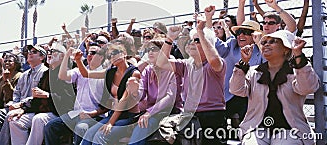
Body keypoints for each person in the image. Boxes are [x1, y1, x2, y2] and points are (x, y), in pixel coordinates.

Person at [230, 30, 319, 145]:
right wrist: (243, 64)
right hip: (257, 128)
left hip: (290, 129)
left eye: (273, 41)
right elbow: (236, 90)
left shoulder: (297, 71)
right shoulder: (254, 71)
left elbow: (307, 88)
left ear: (286, 49)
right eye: (264, 42)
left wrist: (298, 54)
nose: (266, 44)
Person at [156, 8, 227, 144]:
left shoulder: (216, 64)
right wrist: (169, 38)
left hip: (212, 115)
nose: (192, 43)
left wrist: (200, 31)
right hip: (190, 116)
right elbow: (161, 63)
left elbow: (213, 60)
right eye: (191, 40)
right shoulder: (186, 64)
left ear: (208, 44)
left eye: (197, 41)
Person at [77, 44, 142, 145]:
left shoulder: (134, 73)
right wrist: (78, 60)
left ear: (124, 54)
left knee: (100, 135)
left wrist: (110, 123)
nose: (112, 56)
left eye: (115, 53)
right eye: (110, 55)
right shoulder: (110, 72)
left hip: (129, 117)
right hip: (113, 114)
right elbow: (86, 74)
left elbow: (123, 101)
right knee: (89, 134)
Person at [0, 44, 48, 145]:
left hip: (32, 108)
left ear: (42, 57)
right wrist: (14, 103)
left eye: (34, 52)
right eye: (29, 52)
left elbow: (38, 96)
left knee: (11, 117)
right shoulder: (25, 74)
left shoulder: (44, 72)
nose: (30, 53)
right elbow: (16, 93)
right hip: (17, 106)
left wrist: (20, 106)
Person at [45, 45, 106, 145]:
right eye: (88, 53)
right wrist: (67, 55)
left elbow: (108, 104)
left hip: (95, 115)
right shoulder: (79, 70)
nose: (89, 55)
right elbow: (62, 76)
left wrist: (92, 114)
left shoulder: (104, 74)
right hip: (76, 113)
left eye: (93, 53)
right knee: (51, 126)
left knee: (80, 128)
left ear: (101, 57)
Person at [128, 39, 183, 145]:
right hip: (150, 113)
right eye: (148, 49)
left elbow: (170, 98)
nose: (150, 52)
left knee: (143, 126)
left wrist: (150, 112)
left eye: (154, 49)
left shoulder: (174, 69)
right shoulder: (148, 70)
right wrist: (134, 92)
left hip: (170, 113)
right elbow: (141, 93)